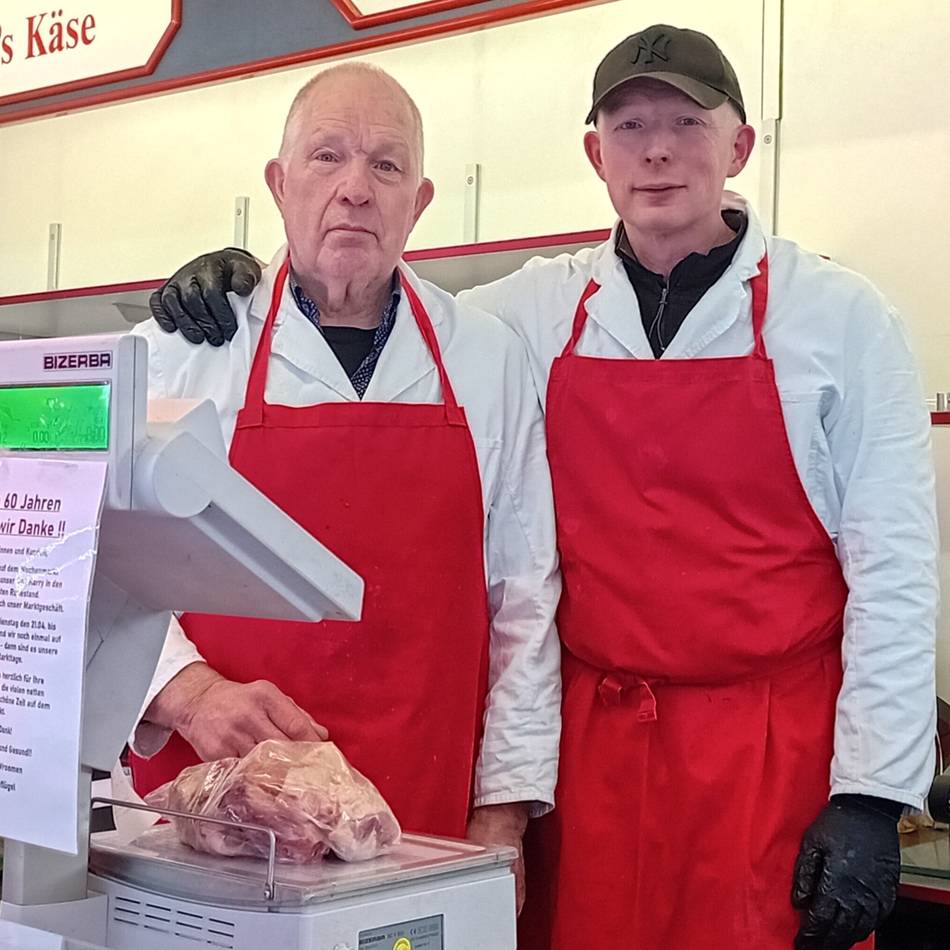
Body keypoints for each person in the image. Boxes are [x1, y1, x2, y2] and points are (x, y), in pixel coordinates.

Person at [148, 25, 938, 950]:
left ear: (740, 146)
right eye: (630, 126)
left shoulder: (842, 319)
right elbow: (360, 285)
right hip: (593, 759)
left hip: (771, 755)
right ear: (597, 155)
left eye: (687, 122)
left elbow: (894, 571)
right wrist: (238, 274)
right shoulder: (530, 311)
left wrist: (872, 794)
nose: (657, 150)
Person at [128, 61, 562, 914]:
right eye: (327, 157)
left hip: (421, 819)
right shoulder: (182, 352)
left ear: (420, 202)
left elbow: (526, 596)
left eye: (386, 165)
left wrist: (502, 814)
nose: (355, 188)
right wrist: (186, 691)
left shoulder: (486, 356)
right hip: (217, 812)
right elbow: (76, 555)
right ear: (278, 184)